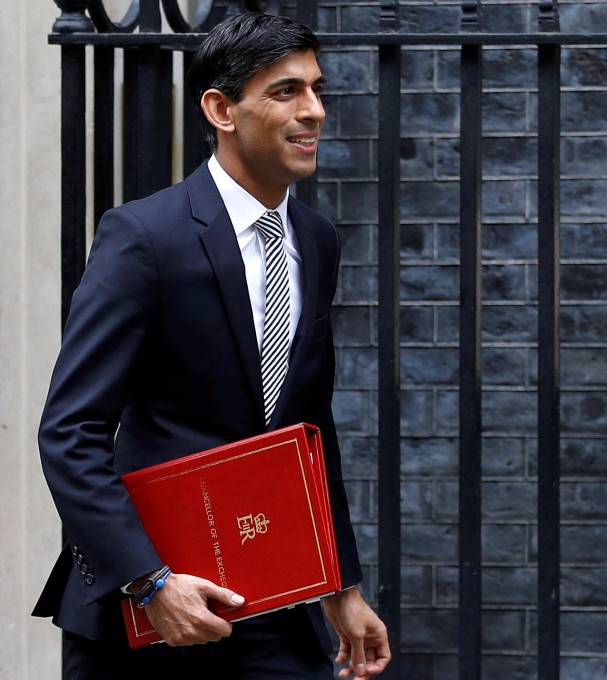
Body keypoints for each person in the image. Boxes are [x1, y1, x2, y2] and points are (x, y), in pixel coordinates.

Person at [32, 12, 390, 680]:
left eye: (316, 89)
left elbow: (309, 426)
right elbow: (70, 432)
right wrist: (150, 582)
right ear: (222, 110)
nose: (314, 110)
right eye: (286, 91)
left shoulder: (316, 240)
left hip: (273, 605)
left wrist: (340, 582)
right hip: (146, 617)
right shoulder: (144, 237)